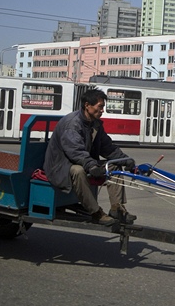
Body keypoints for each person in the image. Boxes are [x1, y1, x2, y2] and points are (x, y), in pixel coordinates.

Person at [44, 88, 135, 225]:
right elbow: (75, 151)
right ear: (87, 105)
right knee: (78, 171)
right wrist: (91, 165)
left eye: (103, 107)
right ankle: (95, 213)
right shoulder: (73, 124)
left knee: (114, 166)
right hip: (61, 166)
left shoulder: (95, 123)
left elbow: (107, 147)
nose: (102, 110)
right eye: (100, 107)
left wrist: (124, 159)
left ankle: (117, 209)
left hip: (82, 161)